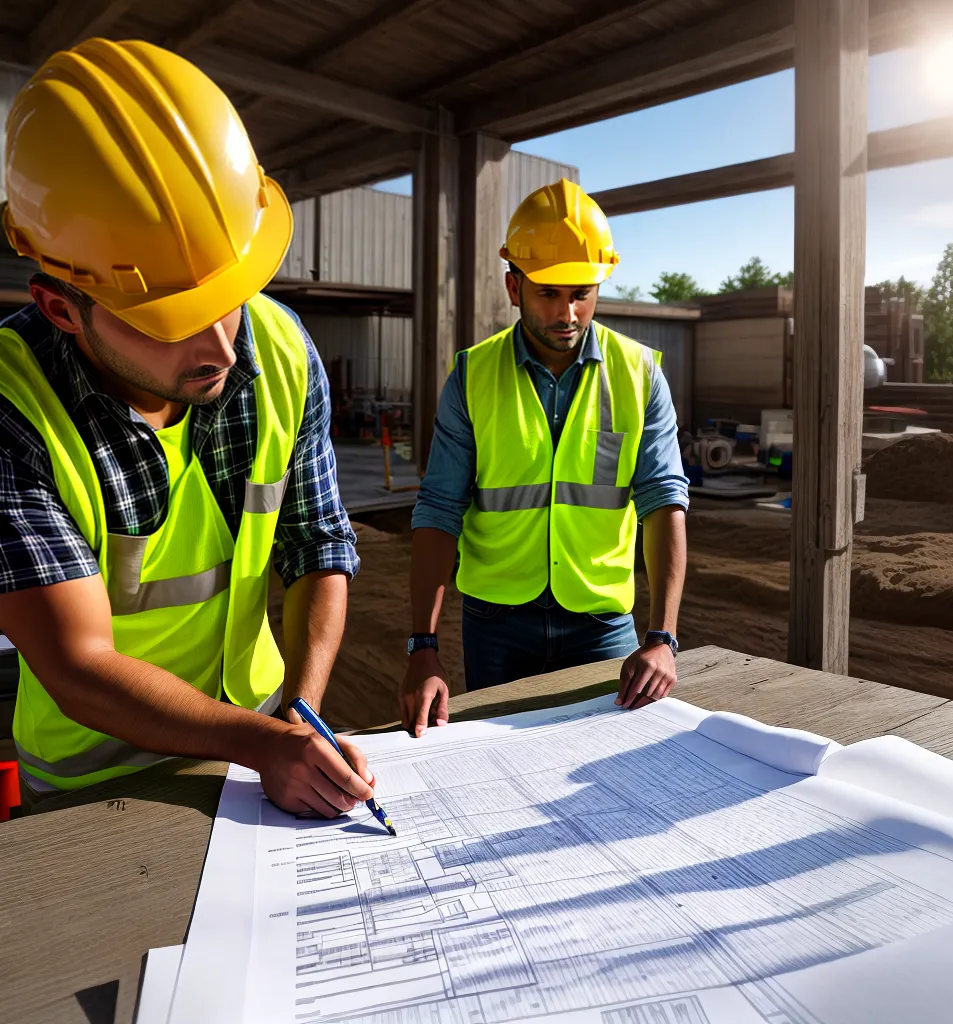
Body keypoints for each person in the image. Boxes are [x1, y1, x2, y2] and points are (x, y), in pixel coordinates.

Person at [0, 38, 374, 816]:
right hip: (94, 786)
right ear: (60, 306)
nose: (223, 348)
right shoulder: (11, 405)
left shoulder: (281, 349)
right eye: (173, 321)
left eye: (229, 296)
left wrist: (297, 718)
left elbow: (318, 543)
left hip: (260, 749)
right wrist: (265, 743)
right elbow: (77, 662)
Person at [399, 179, 689, 736]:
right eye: (548, 294)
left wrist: (662, 638)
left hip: (601, 623)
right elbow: (438, 511)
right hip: (496, 623)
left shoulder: (640, 375)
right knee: (497, 768)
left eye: (581, 293)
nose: (568, 313)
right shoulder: (472, 377)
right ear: (514, 286)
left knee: (605, 773)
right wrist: (423, 646)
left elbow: (663, 503)